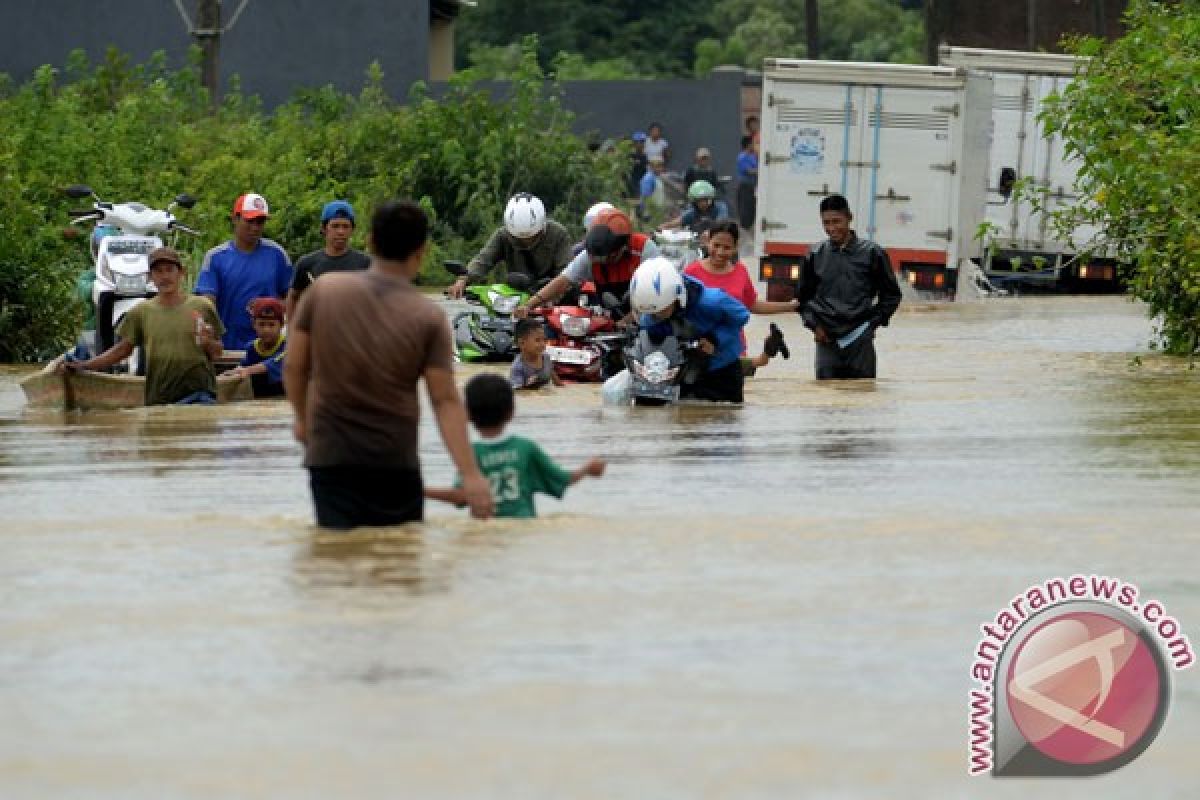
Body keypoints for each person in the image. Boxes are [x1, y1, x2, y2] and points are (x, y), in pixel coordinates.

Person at [285, 200, 493, 528]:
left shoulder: (323, 292)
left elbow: (294, 367)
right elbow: (444, 400)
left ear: (369, 242)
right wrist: (470, 473)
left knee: (334, 559)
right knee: (399, 564)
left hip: (330, 456)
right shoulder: (428, 316)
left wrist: (301, 419)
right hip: (394, 461)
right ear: (421, 251)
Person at [424, 373, 605, 518]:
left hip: (485, 536)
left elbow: (461, 496)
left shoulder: (470, 454)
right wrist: (587, 469)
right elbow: (562, 479)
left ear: (468, 415)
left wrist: (420, 491)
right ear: (511, 412)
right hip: (523, 533)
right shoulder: (525, 448)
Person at [62, 247, 224, 405]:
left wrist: (208, 342)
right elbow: (122, 350)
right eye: (158, 271)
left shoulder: (202, 306)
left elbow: (217, 353)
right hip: (159, 397)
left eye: (169, 270)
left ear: (181, 273)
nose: (164, 276)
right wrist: (84, 366)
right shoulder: (141, 312)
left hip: (200, 394)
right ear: (149, 277)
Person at [795, 194, 903, 380]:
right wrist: (814, 326)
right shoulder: (814, 254)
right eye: (826, 223)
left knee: (862, 398)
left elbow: (892, 295)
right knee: (825, 399)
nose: (831, 228)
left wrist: (872, 324)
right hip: (826, 339)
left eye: (837, 221)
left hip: (860, 338)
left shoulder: (872, 253)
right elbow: (803, 298)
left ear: (849, 218)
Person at [630, 256, 750, 403]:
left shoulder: (713, 301)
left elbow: (742, 316)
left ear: (677, 297)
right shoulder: (650, 315)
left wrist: (715, 339)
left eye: (661, 311)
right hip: (681, 372)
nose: (656, 317)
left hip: (721, 370)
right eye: (651, 314)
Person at [683, 220, 795, 375]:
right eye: (716, 245)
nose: (721, 252)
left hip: (733, 348)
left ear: (735, 247)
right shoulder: (691, 273)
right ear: (708, 242)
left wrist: (790, 307)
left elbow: (752, 305)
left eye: (727, 247)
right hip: (699, 348)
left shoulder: (740, 272)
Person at [516, 207, 660, 322]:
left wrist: (626, 322)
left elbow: (657, 297)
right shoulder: (589, 257)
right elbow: (562, 281)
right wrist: (528, 306)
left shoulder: (645, 251)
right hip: (610, 317)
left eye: (606, 259)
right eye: (596, 258)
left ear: (622, 248)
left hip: (648, 316)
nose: (601, 263)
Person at [195, 193, 293, 350]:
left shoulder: (277, 254)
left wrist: (272, 308)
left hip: (268, 351)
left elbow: (292, 297)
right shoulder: (216, 257)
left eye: (260, 222)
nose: (255, 227)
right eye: (249, 221)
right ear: (235, 219)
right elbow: (207, 303)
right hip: (227, 347)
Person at [446, 193, 574, 300]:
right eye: (518, 239)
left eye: (532, 237)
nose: (526, 242)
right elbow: (483, 260)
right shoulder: (502, 235)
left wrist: (553, 296)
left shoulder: (558, 234)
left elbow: (567, 272)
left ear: (542, 228)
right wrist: (463, 280)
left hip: (554, 294)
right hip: (516, 294)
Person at [286, 200, 370, 322]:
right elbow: (293, 297)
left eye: (345, 226)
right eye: (335, 226)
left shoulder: (366, 263)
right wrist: (293, 330)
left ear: (352, 230)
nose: (340, 232)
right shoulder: (307, 264)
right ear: (324, 228)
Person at [228, 297, 288, 398]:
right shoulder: (252, 348)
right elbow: (242, 366)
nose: (266, 329)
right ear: (254, 325)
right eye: (261, 324)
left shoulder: (287, 346)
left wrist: (246, 370)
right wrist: (231, 374)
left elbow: (271, 364)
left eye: (271, 325)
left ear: (281, 325)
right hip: (259, 401)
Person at [510, 318, 563, 389]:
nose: (543, 344)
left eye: (544, 340)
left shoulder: (546, 357)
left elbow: (558, 383)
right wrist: (528, 386)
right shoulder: (518, 368)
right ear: (522, 343)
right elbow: (518, 393)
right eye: (537, 340)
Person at [663, 180, 731, 233]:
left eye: (705, 199)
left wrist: (711, 227)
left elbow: (721, 222)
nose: (703, 203)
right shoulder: (693, 212)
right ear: (694, 202)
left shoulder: (720, 207)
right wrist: (661, 228)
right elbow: (676, 222)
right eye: (699, 201)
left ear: (711, 198)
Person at [736, 136, 759, 230]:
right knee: (745, 209)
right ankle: (745, 228)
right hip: (745, 186)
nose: (754, 146)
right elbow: (748, 171)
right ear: (748, 145)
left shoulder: (753, 156)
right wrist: (760, 171)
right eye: (752, 143)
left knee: (752, 209)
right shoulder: (742, 157)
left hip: (753, 186)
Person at [638, 156, 668, 220]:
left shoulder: (657, 177)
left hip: (656, 212)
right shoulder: (648, 178)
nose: (660, 168)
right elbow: (645, 197)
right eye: (658, 166)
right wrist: (646, 213)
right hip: (650, 214)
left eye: (661, 166)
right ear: (651, 166)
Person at [627, 131, 649, 198]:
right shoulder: (629, 155)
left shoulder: (644, 156)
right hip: (632, 183)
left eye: (643, 142)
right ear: (634, 143)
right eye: (639, 142)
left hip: (642, 183)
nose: (641, 144)